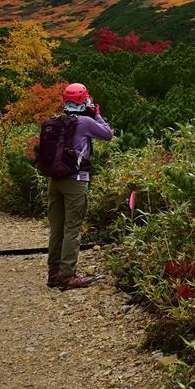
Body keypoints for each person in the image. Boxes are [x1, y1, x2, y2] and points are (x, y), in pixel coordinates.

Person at [46, 82, 114, 290]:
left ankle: (54, 273)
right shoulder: (84, 121)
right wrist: (96, 114)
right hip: (75, 180)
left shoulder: (56, 121)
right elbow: (108, 134)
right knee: (72, 228)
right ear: (84, 99)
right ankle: (68, 275)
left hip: (54, 180)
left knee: (56, 228)